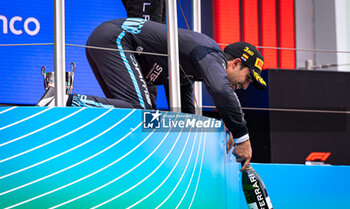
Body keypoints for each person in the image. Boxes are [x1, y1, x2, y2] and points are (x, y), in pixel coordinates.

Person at [37, 18, 267, 171]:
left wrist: (213, 130)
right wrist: (242, 138)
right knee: (140, 111)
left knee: (129, 114)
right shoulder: (211, 54)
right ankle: (63, 100)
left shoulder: (194, 64)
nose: (245, 87)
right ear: (236, 63)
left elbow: (184, 113)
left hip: (112, 41)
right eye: (248, 78)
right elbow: (221, 90)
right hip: (115, 39)